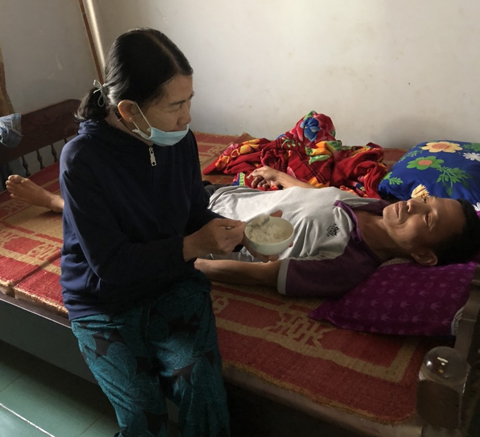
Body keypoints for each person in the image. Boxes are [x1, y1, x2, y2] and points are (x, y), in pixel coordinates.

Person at [45, 28, 262, 437]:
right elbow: (110, 265)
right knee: (144, 419)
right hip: (103, 302)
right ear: (129, 110)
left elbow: (194, 211)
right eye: (175, 105)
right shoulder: (82, 160)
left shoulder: (180, 141)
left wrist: (241, 236)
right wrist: (192, 245)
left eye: (190, 100)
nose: (187, 116)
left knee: (202, 385)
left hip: (170, 284)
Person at [7, 164, 480, 299]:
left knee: (120, 214)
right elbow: (320, 194)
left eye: (426, 218)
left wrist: (191, 261)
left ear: (424, 257)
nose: (413, 206)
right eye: (424, 200)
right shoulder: (372, 205)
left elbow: (261, 275)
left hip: (202, 225)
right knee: (134, 175)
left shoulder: (347, 264)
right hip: (220, 193)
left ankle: (56, 202)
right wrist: (281, 176)